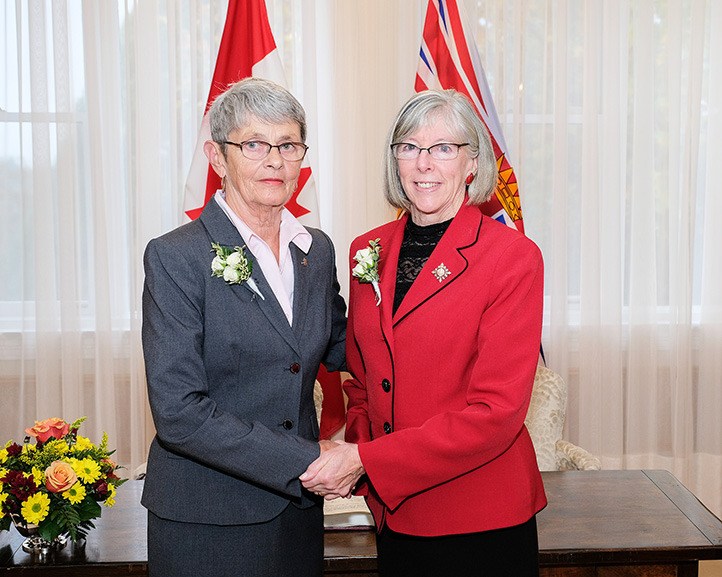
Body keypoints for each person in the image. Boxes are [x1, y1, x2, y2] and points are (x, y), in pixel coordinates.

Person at [300, 89, 546, 577]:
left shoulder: (512, 258)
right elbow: (363, 380)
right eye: (409, 147)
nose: (424, 163)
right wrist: (363, 458)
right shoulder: (367, 249)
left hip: (480, 517)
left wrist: (368, 460)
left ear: (472, 162)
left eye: (443, 148)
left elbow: (495, 414)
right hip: (395, 514)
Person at [141, 77, 346, 577]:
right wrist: (307, 458)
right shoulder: (176, 256)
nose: (274, 160)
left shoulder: (315, 250)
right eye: (254, 144)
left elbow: (348, 350)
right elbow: (179, 413)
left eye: (289, 144)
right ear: (217, 157)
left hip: (298, 517)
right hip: (207, 521)